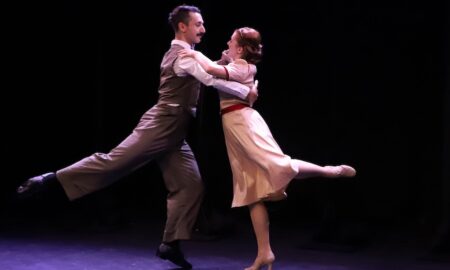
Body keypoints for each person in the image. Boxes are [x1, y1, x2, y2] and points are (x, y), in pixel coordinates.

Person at [16, 5, 257, 269]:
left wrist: (224, 65)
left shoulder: (191, 54)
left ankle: (170, 244)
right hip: (161, 124)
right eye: (198, 24)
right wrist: (244, 92)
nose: (203, 29)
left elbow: (209, 71)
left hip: (175, 133)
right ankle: (49, 180)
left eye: (202, 24)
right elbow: (210, 80)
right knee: (113, 162)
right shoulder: (183, 55)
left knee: (190, 185)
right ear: (182, 27)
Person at [179, 26, 357, 270]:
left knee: (278, 164)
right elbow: (217, 73)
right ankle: (265, 253)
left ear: (240, 48)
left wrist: (190, 52)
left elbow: (209, 71)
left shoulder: (244, 66)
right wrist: (222, 59)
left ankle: (329, 171)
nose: (227, 43)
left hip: (244, 122)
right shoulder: (236, 65)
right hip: (233, 125)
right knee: (252, 190)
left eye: (231, 41)